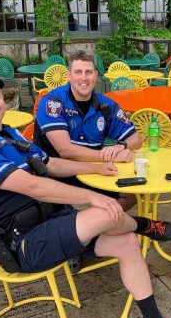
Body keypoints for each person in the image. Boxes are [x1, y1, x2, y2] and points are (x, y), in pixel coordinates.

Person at [0, 70, 171, 318]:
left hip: (53, 221)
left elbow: (50, 164)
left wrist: (96, 167)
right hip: (22, 244)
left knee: (125, 242)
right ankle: (143, 225)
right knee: (105, 210)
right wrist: (92, 196)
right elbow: (34, 187)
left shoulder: (8, 133)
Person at [33, 50, 141, 211]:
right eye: (78, 72)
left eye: (88, 72)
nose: (84, 78)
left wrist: (121, 147)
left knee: (132, 195)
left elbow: (137, 139)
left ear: (96, 75)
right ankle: (89, 225)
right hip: (54, 173)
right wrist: (109, 157)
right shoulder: (52, 102)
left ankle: (95, 226)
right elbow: (65, 151)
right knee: (60, 216)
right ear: (69, 75)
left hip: (93, 169)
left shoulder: (106, 105)